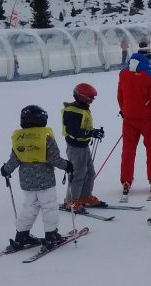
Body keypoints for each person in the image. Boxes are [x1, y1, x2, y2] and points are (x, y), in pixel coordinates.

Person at [0, 105, 73, 250]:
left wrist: (6, 169)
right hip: (45, 181)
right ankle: (51, 236)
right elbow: (54, 159)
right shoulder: (45, 137)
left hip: (27, 181)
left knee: (29, 207)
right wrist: (67, 166)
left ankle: (21, 235)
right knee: (49, 207)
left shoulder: (19, 138)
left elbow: (14, 159)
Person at [117, 41, 151, 196]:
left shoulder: (123, 73)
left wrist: (123, 110)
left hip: (129, 118)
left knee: (128, 150)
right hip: (147, 119)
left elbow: (120, 96)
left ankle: (126, 180)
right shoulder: (150, 75)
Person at [61, 83, 105, 213]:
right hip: (75, 148)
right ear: (82, 97)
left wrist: (95, 132)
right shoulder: (72, 112)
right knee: (78, 174)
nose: (92, 100)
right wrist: (91, 133)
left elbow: (84, 127)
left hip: (84, 146)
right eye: (90, 97)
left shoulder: (83, 108)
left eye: (93, 97)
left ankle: (85, 197)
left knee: (90, 173)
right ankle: (71, 201)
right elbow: (73, 131)